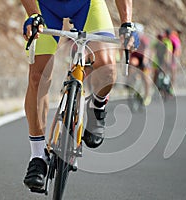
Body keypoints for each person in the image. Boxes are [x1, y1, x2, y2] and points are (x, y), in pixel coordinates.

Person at [21, 0, 139, 190]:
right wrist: (33, 14)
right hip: (45, 5)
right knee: (37, 76)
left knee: (107, 69)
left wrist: (127, 23)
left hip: (86, 4)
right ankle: (37, 156)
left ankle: (97, 106)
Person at [129, 23, 151, 106]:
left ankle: (147, 95)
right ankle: (132, 81)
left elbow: (146, 51)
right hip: (136, 57)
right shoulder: (132, 37)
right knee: (132, 64)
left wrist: (145, 62)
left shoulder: (144, 39)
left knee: (146, 78)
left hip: (144, 57)